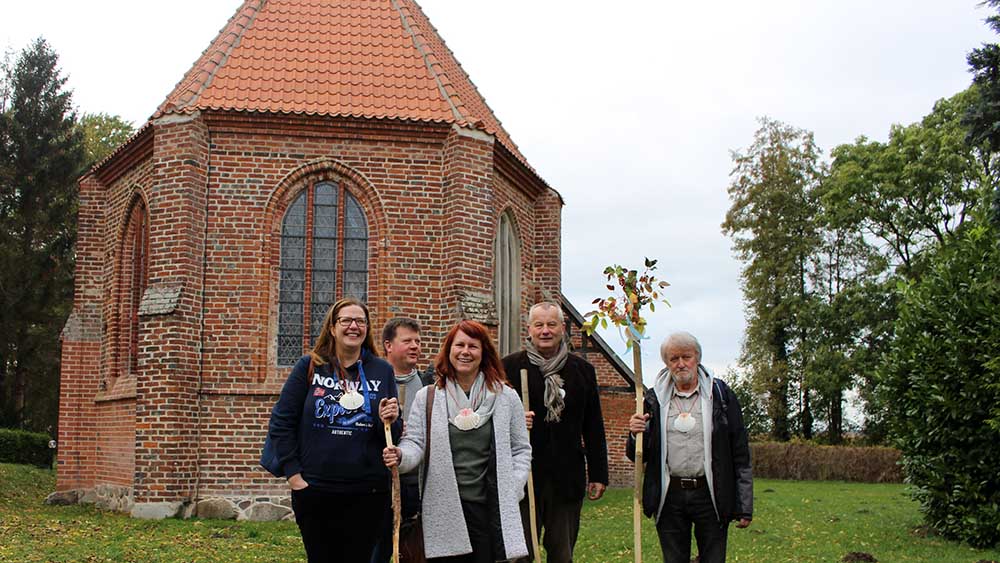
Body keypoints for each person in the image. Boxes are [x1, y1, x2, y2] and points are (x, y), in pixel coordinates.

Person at [265, 297, 401, 563]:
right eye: (346, 320)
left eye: (360, 321)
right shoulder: (310, 366)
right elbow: (282, 422)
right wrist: (294, 477)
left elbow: (391, 434)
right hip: (316, 489)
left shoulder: (382, 370)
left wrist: (391, 419)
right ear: (332, 327)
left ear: (367, 328)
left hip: (368, 492)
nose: (354, 326)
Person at [383, 320, 531, 562]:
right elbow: (415, 443)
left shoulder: (506, 397)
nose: (465, 351)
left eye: (473, 346)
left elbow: (521, 449)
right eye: (459, 345)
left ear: (484, 352)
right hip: (445, 508)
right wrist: (401, 456)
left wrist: (512, 487)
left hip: (489, 509)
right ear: (449, 350)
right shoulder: (428, 397)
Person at [627, 332, 753, 563]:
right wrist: (635, 434)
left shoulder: (720, 396)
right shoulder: (654, 399)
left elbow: (740, 452)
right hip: (670, 496)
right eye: (674, 358)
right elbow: (637, 454)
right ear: (666, 363)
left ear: (698, 358)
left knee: (713, 559)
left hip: (711, 494)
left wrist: (744, 505)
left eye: (686, 357)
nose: (681, 364)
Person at [502, 302, 609, 563]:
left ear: (562, 327)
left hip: (566, 477)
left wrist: (598, 474)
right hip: (523, 478)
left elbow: (593, 426)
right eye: (539, 325)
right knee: (520, 554)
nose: (545, 331)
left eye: (551, 324)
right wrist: (513, 420)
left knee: (562, 553)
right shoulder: (509, 368)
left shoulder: (582, 371)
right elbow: (493, 417)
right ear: (529, 329)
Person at [372, 317, 435, 563]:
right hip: (378, 481)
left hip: (415, 483)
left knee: (413, 550)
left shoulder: (430, 384)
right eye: (407, 341)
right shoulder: (372, 383)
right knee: (377, 549)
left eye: (417, 341)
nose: (415, 346)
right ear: (388, 345)